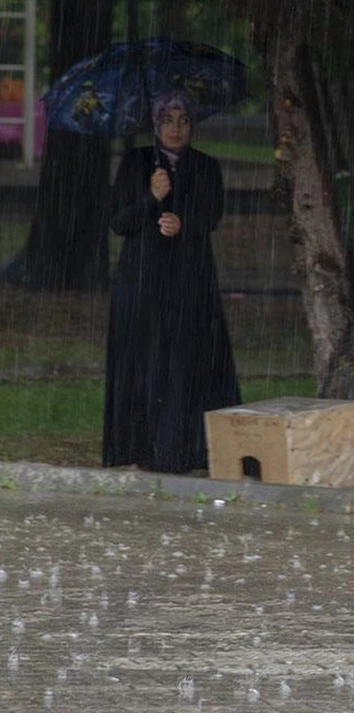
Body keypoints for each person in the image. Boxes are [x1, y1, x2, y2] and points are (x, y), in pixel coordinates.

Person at [102, 91, 240, 474]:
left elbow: (211, 214)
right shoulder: (137, 163)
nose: (175, 128)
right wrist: (152, 198)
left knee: (185, 362)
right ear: (156, 125)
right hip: (143, 280)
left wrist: (183, 224)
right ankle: (142, 447)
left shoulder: (206, 167)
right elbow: (118, 222)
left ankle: (184, 450)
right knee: (146, 362)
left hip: (188, 280)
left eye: (182, 120)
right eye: (167, 120)